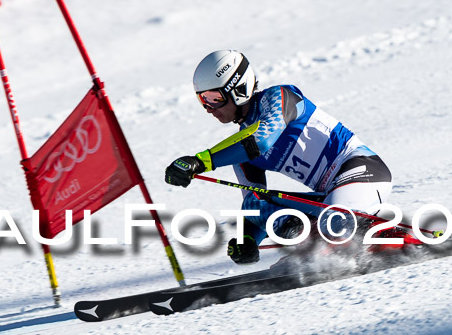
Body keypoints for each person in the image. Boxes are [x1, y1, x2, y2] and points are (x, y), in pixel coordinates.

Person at [165, 50, 392, 264]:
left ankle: (339, 242)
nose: (208, 108)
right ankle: (311, 244)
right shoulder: (240, 149)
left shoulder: (279, 97)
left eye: (214, 98)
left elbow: (262, 140)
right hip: (329, 195)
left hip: (364, 171)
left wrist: (202, 161)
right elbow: (254, 207)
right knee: (253, 202)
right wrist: (249, 240)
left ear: (239, 88)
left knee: (334, 222)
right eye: (202, 100)